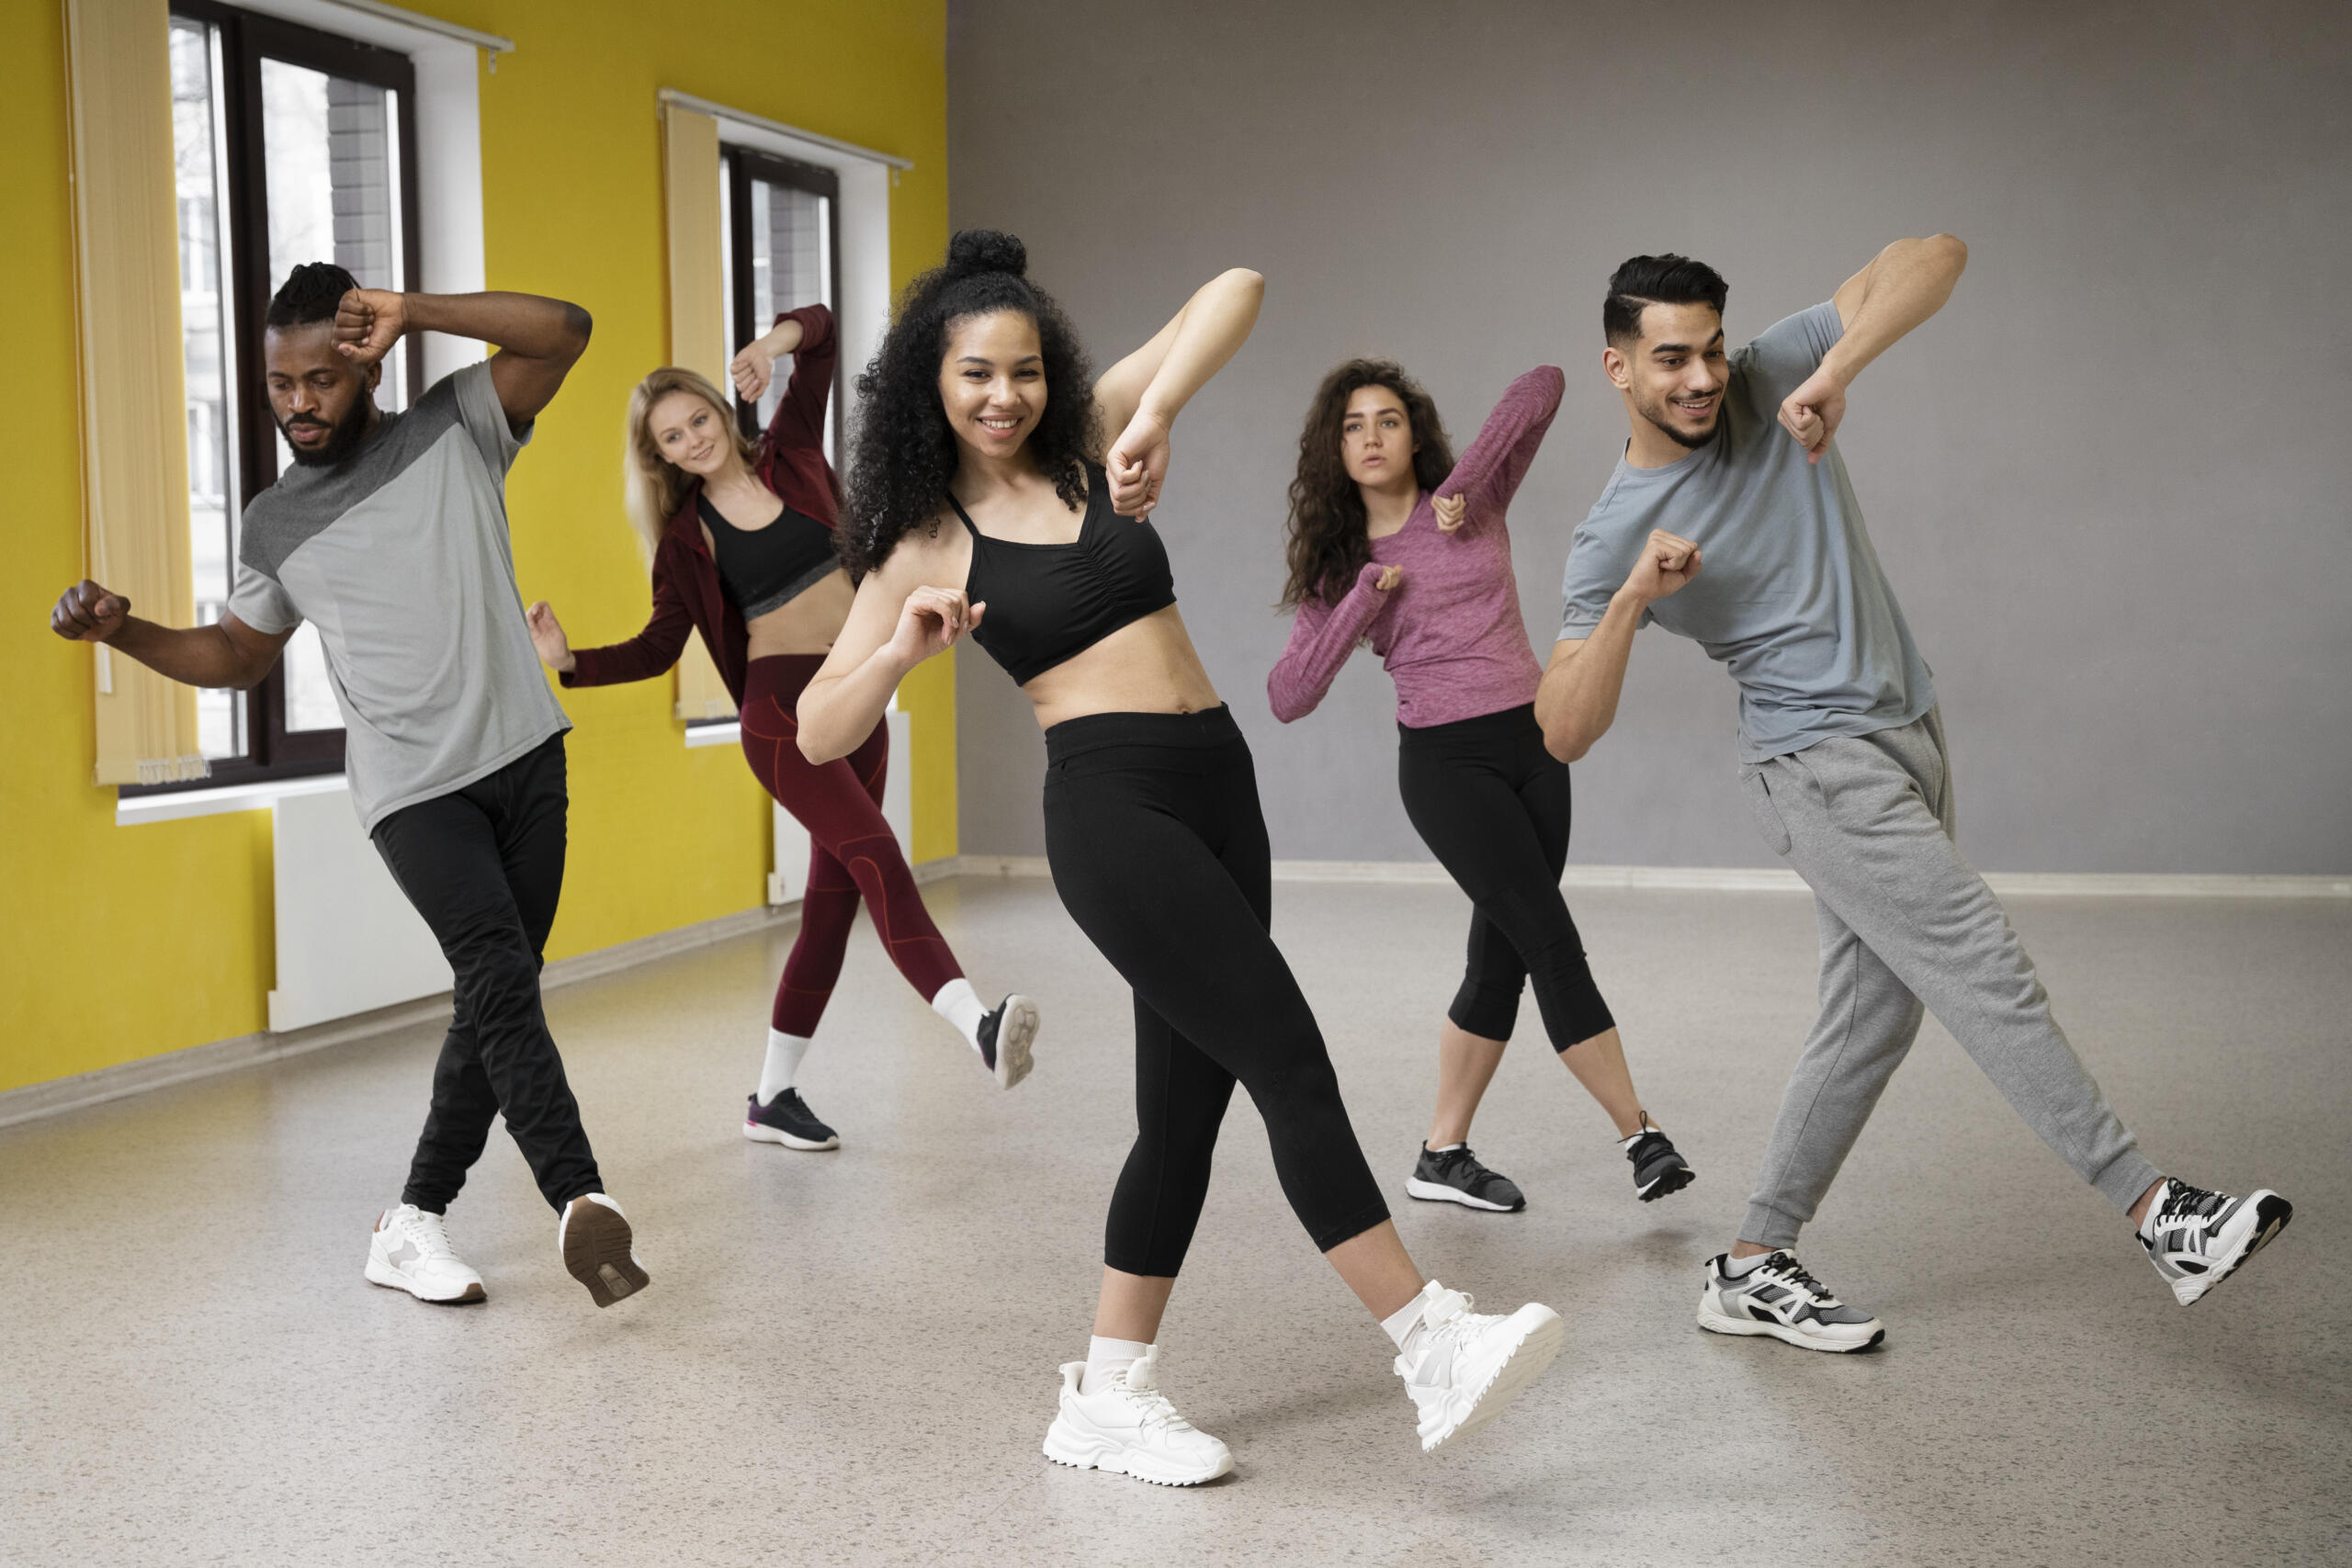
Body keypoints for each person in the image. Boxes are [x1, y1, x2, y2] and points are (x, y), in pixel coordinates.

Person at [796, 231, 1566, 1483]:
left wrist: (1152, 409)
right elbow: (817, 729)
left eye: (1025, 369)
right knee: (1287, 1052)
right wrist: (896, 654)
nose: (1005, 395)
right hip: (1113, 811)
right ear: (929, 384)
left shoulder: (1092, 440)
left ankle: (1106, 1392)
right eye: (976, 373)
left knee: (1184, 1115)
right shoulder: (924, 543)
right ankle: (1428, 1339)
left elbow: (1237, 289)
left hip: (1218, 782)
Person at [1539, 243, 2293, 1351]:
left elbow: (1930, 256)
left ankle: (1750, 1265)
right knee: (1980, 963)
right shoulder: (1613, 529)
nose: (1699, 378)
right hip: (1816, 766)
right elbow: (1562, 726)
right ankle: (2156, 1211)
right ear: (1616, 367)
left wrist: (1837, 369)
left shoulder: (1771, 376)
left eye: (1709, 350)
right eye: (1669, 360)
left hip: (1908, 729)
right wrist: (1629, 601)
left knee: (1870, 1018)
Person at [50, 263, 649, 1310]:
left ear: (367, 366)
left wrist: (417, 309)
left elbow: (566, 328)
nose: (299, 403)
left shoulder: (458, 423)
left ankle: (410, 1221)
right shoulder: (272, 522)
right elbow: (238, 656)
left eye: (320, 379)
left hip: (525, 755)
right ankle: (579, 1194)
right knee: (497, 971)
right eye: (281, 384)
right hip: (413, 791)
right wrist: (124, 631)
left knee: (497, 992)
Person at [524, 303, 1039, 1152]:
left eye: (698, 419)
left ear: (719, 411)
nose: (693, 440)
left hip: (858, 695)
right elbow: (658, 649)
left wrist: (769, 344)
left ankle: (770, 1098)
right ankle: (979, 1025)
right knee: (877, 853)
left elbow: (825, 333)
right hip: (781, 718)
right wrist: (568, 659)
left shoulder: (793, 451)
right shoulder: (685, 541)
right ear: (661, 458)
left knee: (831, 910)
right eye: (672, 438)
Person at [1270, 358, 1693, 1213]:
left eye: (1389, 419)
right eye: (1353, 426)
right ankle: (1641, 1136)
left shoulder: (1474, 503)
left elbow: (1543, 385)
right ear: (1333, 449)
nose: (1372, 437)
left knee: (1501, 960)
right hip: (1447, 766)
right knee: (1550, 941)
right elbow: (1289, 695)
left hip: (1537, 743)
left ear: (1413, 432)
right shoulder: (1341, 566)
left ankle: (1441, 1153)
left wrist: (1463, 484)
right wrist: (1362, 599)